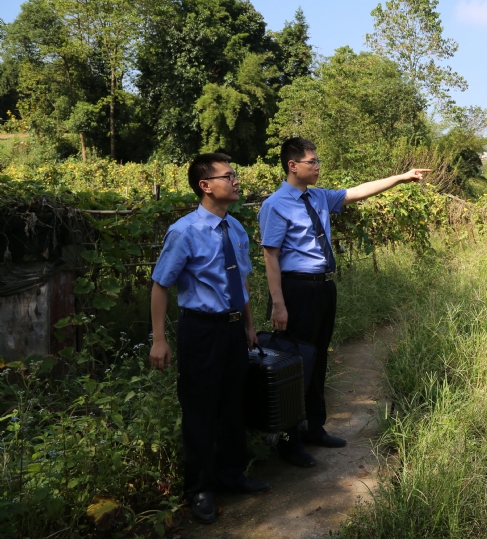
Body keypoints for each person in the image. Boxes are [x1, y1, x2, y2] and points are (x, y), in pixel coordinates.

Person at [258, 137, 429, 468]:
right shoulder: (276, 205)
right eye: (312, 161)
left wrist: (400, 177)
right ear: (292, 165)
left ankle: (314, 427)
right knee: (295, 367)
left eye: (317, 160)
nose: (317, 166)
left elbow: (358, 191)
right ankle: (290, 443)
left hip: (324, 288)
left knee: (318, 358)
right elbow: (270, 256)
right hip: (297, 290)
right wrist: (278, 303)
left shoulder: (319, 197)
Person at [149, 153, 269, 525]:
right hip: (201, 330)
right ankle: (199, 489)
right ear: (206, 186)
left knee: (234, 403)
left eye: (234, 175)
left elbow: (241, 281)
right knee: (200, 409)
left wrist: (248, 325)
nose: (236, 181)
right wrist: (159, 339)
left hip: (233, 329)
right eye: (228, 176)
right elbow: (160, 284)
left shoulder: (237, 229)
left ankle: (231, 474)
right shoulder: (184, 231)